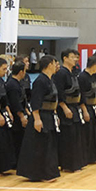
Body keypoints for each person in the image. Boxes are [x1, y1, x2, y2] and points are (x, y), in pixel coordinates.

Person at [17, 54, 60, 182]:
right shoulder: (40, 81)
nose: (56, 66)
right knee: (40, 146)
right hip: (41, 116)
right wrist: (36, 118)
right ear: (49, 65)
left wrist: (55, 114)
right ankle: (40, 174)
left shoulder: (50, 80)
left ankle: (48, 172)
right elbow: (36, 101)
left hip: (50, 114)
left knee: (48, 145)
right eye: (54, 63)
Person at [53, 49, 85, 173]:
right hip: (65, 108)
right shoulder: (61, 73)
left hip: (74, 107)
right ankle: (67, 164)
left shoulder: (73, 72)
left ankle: (74, 163)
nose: (75, 59)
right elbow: (59, 92)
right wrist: (64, 107)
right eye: (73, 57)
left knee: (75, 136)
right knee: (67, 137)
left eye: (76, 57)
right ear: (65, 58)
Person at [78, 55, 96, 164]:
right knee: (87, 134)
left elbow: (95, 93)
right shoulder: (82, 77)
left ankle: (94, 156)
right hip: (86, 107)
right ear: (94, 65)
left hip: (93, 106)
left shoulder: (93, 76)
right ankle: (86, 157)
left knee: (95, 133)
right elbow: (81, 96)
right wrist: (84, 110)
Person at [6, 60, 30, 159]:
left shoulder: (18, 83)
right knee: (17, 138)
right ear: (21, 72)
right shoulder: (12, 84)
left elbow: (23, 100)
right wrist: (21, 116)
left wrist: (27, 112)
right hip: (16, 116)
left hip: (21, 112)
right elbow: (15, 103)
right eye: (24, 71)